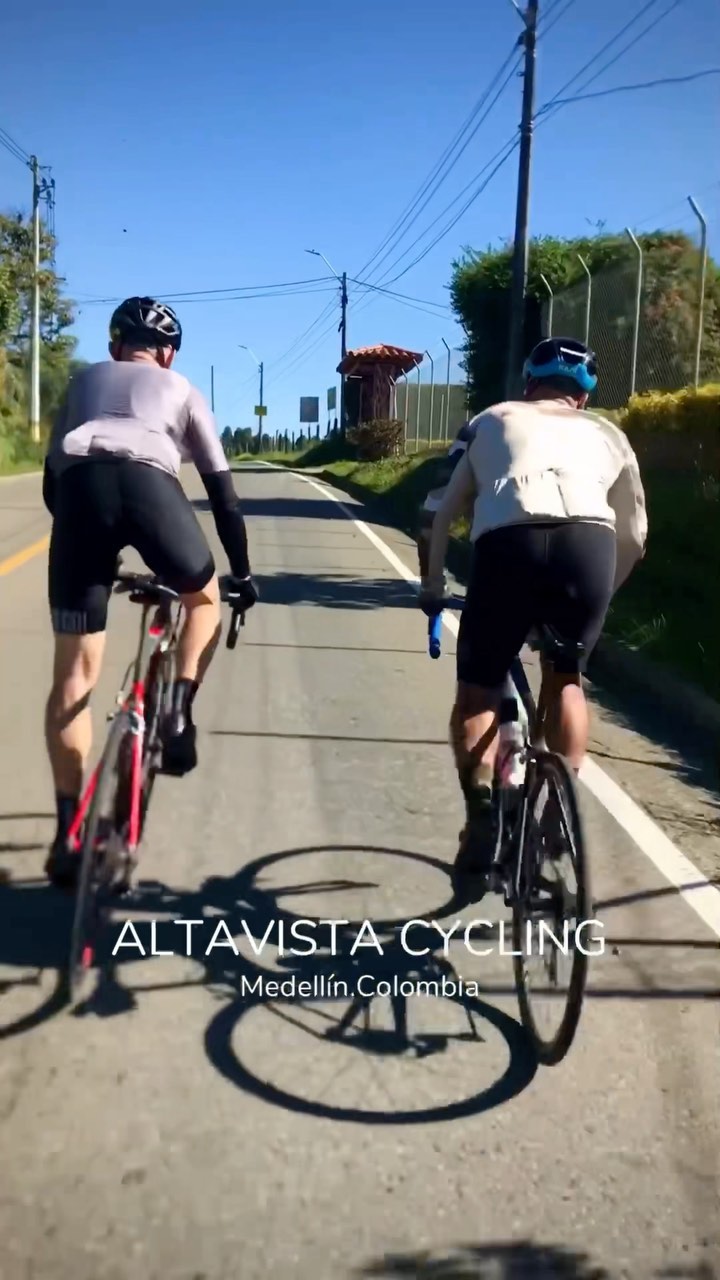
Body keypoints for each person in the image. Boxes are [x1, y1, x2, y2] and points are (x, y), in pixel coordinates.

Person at [42, 296, 258, 889]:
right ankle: (180, 713)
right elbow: (222, 490)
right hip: (149, 486)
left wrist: (91, 553)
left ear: (116, 347)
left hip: (80, 495)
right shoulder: (181, 388)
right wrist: (241, 573)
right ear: (167, 353)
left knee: (73, 680)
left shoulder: (83, 381)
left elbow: (51, 482)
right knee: (202, 599)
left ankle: (67, 835)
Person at [419, 336, 647, 880]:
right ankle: (557, 814)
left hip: (509, 547)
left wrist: (431, 586)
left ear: (528, 383)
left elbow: (440, 508)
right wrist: (601, 596)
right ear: (585, 397)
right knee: (565, 678)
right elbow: (635, 535)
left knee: (478, 688)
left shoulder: (490, 419)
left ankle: (481, 821)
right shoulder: (610, 434)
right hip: (587, 551)